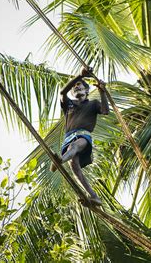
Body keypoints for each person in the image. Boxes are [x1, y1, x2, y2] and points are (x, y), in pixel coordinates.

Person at [50, 67, 109, 206]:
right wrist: (79, 76)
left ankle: (60, 161)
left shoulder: (93, 104)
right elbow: (62, 92)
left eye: (80, 85)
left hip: (84, 135)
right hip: (69, 136)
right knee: (74, 166)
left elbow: (105, 111)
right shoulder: (69, 104)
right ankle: (93, 196)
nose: (76, 87)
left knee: (74, 146)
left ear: (87, 90)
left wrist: (102, 91)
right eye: (74, 87)